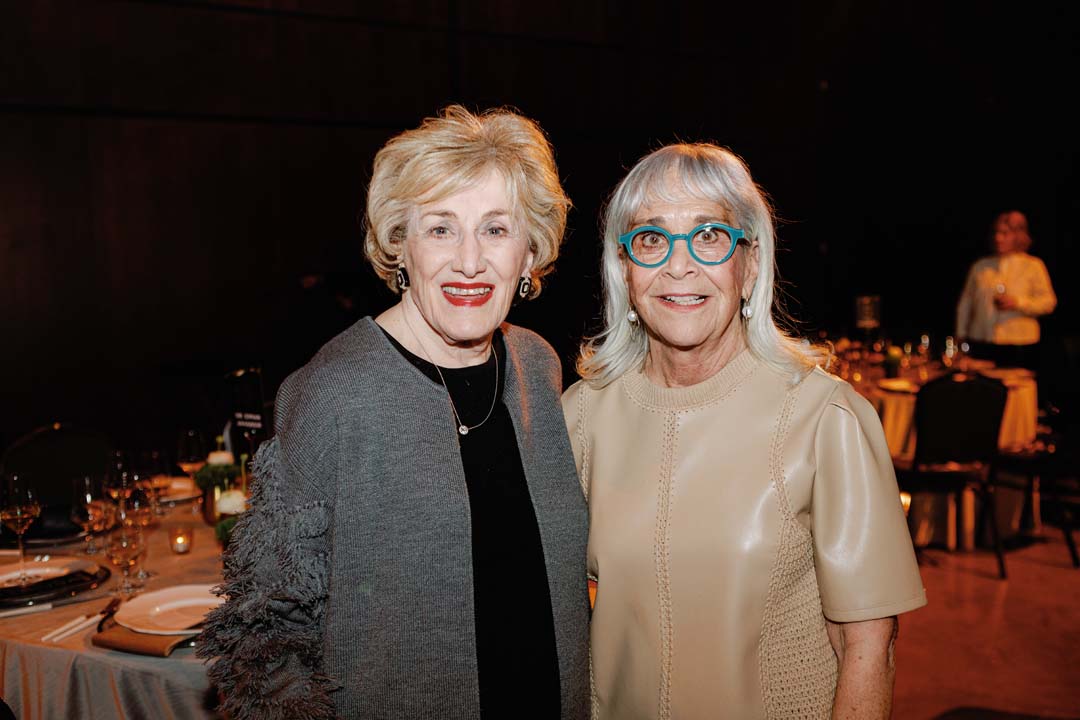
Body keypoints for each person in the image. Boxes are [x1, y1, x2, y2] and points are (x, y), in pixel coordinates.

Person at [199, 106, 590, 719]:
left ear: (530, 253)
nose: (470, 261)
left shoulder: (537, 366)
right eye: (440, 229)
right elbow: (264, 639)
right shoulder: (334, 392)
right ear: (399, 245)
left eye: (496, 229)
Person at [562, 143, 926, 719]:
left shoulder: (826, 419)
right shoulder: (581, 415)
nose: (679, 265)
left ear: (750, 263)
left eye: (709, 235)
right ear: (624, 268)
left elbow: (867, 647)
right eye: (651, 239)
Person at [956, 210, 1057, 370]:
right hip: (983, 342)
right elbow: (965, 303)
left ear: (1019, 236)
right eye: (996, 233)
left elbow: (1048, 302)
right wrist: (960, 335)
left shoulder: (1033, 265)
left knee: (1017, 384)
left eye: (1005, 233)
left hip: (1018, 344)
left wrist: (1018, 303)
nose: (998, 238)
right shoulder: (981, 266)